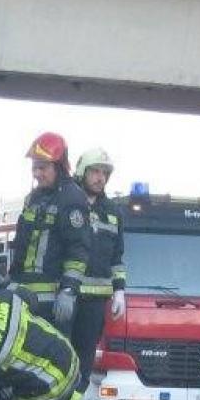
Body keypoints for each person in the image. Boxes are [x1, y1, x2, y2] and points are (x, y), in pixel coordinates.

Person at [4, 132, 93, 334]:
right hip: (22, 297)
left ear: (59, 167)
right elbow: (22, 244)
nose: (36, 173)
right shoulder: (33, 198)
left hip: (52, 303)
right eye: (34, 167)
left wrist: (68, 290)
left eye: (42, 167)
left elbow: (78, 250)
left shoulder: (72, 199)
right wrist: (10, 278)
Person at [68, 148, 128, 387]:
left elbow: (117, 256)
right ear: (82, 171)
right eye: (95, 171)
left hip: (94, 303)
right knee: (60, 354)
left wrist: (120, 290)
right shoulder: (68, 201)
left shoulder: (113, 212)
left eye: (104, 173)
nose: (100, 177)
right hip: (66, 295)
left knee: (85, 359)